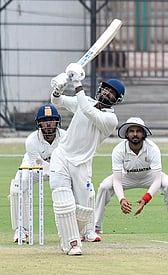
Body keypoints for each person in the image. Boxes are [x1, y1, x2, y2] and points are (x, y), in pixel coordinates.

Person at [49, 62, 123, 255]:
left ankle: (78, 232)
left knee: (81, 210)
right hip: (62, 155)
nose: (107, 94)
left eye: (112, 93)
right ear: (100, 88)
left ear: (117, 99)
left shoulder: (110, 120)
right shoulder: (86, 100)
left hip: (81, 164)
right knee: (62, 198)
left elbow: (89, 112)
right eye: (106, 89)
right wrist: (58, 89)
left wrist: (78, 82)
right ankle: (73, 243)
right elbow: (58, 102)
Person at [93, 117, 168, 236]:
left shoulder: (152, 149)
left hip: (149, 176)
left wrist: (145, 199)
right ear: (127, 134)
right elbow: (117, 180)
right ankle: (96, 226)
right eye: (131, 131)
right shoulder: (118, 150)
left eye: (138, 131)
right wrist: (122, 199)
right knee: (104, 187)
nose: (135, 134)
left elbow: (157, 180)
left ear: (143, 134)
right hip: (127, 176)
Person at [9, 104, 66, 243]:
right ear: (38, 123)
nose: (48, 124)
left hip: (60, 169)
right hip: (34, 167)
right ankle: (20, 230)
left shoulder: (66, 137)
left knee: (81, 185)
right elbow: (39, 164)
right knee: (17, 187)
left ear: (57, 121)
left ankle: (79, 231)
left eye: (51, 120)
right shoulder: (31, 140)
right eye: (44, 120)